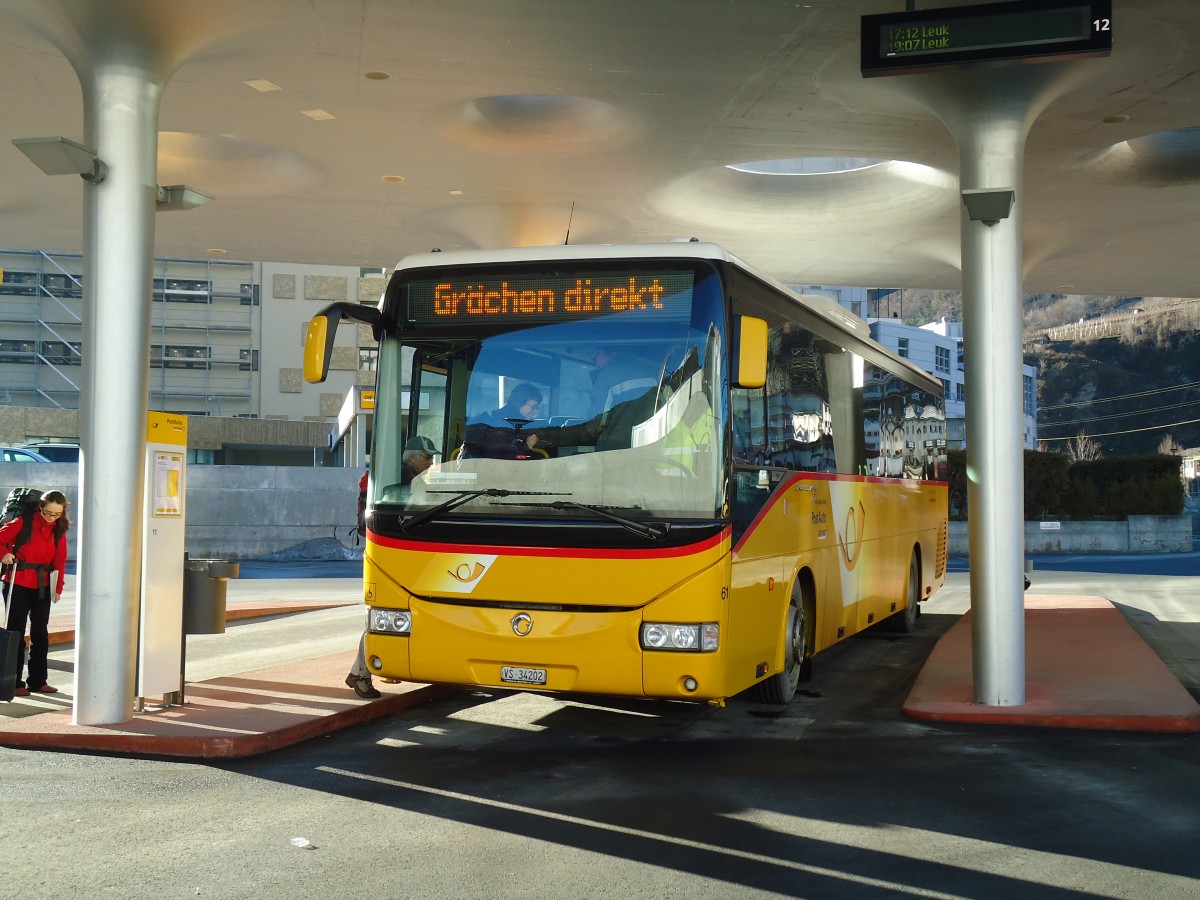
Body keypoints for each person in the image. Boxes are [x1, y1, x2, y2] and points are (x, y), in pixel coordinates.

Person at [1, 490, 69, 697]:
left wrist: (57, 588)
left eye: (56, 514)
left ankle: (38, 681)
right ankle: (13, 683)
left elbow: (60, 559)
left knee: (41, 633)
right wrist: (4, 554)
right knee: (17, 633)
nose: (51, 518)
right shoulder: (24, 521)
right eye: (47, 512)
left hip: (43, 585)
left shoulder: (59, 528)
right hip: (17, 582)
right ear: (40, 506)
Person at [463, 383, 544, 458]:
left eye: (537, 408)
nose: (535, 412)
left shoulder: (515, 423)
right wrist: (527, 445)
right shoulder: (501, 425)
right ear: (519, 403)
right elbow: (500, 459)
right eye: (533, 406)